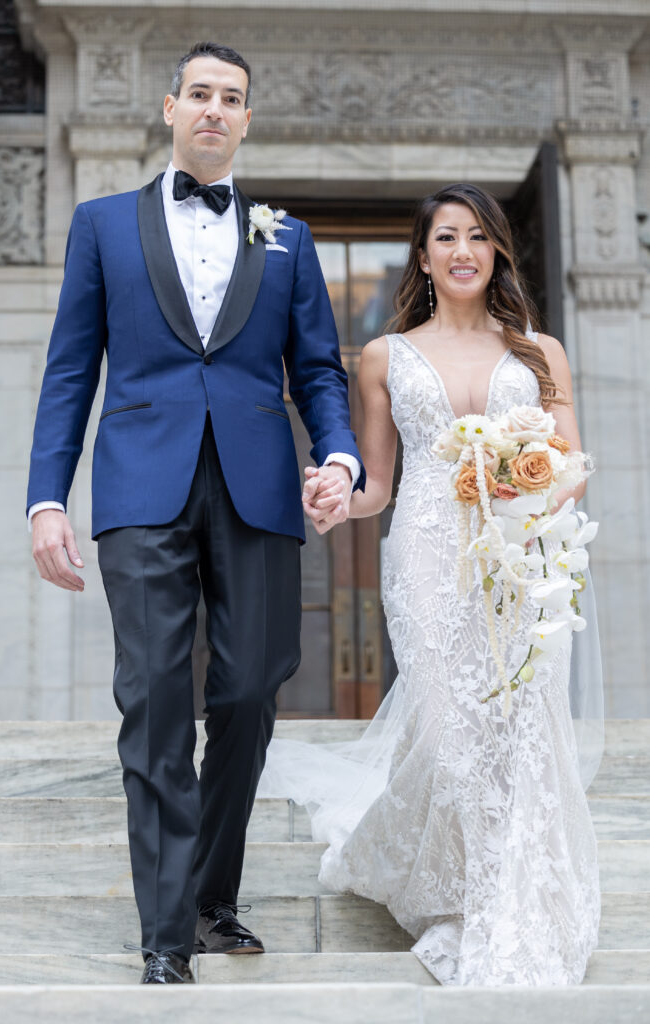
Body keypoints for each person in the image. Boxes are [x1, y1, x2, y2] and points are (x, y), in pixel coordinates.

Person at [27, 41, 363, 984]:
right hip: (140, 487)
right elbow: (68, 371)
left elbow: (320, 371)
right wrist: (47, 497)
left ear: (247, 120)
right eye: (200, 94)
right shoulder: (100, 225)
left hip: (257, 484)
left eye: (233, 99)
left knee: (251, 691)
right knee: (156, 697)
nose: (215, 109)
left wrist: (337, 456)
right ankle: (167, 931)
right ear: (170, 107)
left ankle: (212, 895)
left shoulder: (284, 237)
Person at [263, 183, 601, 986]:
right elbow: (379, 483)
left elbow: (572, 469)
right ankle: (470, 894)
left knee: (520, 733)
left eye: (478, 238)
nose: (462, 251)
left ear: (496, 255)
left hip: (523, 559)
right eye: (445, 237)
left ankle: (510, 908)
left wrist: (523, 495)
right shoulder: (384, 356)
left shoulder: (539, 352)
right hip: (425, 551)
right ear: (422, 255)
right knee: (454, 739)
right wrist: (338, 498)